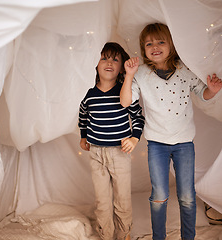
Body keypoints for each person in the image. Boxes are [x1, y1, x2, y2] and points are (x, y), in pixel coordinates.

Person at [121, 23, 222, 240]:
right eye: (149, 43)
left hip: (184, 143)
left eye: (161, 42)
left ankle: (189, 237)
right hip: (157, 144)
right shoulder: (141, 73)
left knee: (187, 196)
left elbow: (201, 92)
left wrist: (211, 91)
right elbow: (125, 101)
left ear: (171, 45)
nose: (155, 46)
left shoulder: (184, 70)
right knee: (159, 195)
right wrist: (129, 74)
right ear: (143, 48)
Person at [78, 42, 145, 240]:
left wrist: (134, 138)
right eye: (104, 58)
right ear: (96, 64)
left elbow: (139, 117)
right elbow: (83, 115)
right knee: (102, 200)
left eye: (115, 59)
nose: (109, 62)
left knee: (122, 199)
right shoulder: (89, 94)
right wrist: (83, 135)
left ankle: (123, 234)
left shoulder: (124, 92)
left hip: (119, 153)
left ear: (122, 66)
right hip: (96, 153)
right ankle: (106, 234)